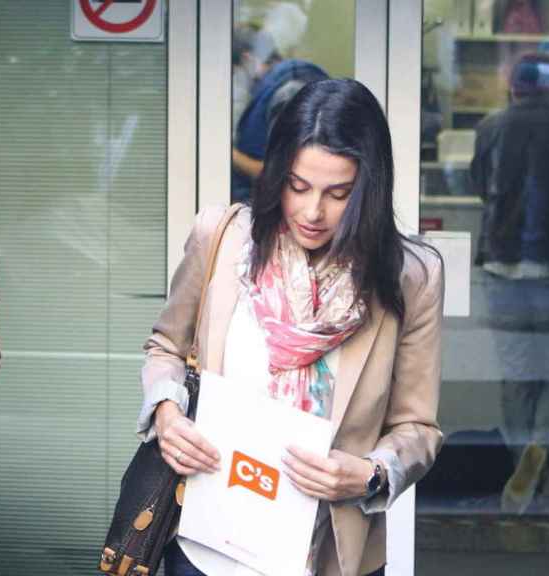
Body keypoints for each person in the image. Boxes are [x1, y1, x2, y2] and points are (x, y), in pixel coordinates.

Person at [138, 79, 444, 576]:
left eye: (338, 193)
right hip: (208, 542)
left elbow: (417, 427)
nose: (312, 211)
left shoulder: (409, 276)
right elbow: (165, 347)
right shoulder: (222, 239)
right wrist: (169, 415)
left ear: (369, 188)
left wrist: (370, 474)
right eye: (297, 186)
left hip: (328, 554)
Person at [470, 52, 549, 513]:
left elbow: (478, 185)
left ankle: (517, 460)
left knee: (515, 373)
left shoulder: (490, 127)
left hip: (501, 264)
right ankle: (541, 449)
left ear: (513, 85)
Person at [231, 34, 328, 203]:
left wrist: (227, 153)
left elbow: (285, 172)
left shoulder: (289, 91)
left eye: (232, 73)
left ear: (247, 60)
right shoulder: (275, 87)